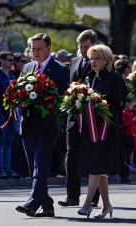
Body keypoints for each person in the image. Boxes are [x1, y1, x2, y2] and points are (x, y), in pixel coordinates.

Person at [15, 33, 69, 217]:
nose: (35, 52)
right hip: (28, 123)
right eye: (32, 48)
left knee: (41, 164)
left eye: (39, 49)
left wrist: (44, 99)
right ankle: (47, 206)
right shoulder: (27, 67)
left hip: (47, 125)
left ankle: (32, 203)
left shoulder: (59, 69)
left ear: (48, 49)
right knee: (33, 167)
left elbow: (63, 95)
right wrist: (18, 100)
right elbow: (19, 90)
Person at [77, 44, 121, 219]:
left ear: (106, 60)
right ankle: (107, 205)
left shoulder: (114, 78)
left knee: (96, 166)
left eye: (96, 58)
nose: (92, 61)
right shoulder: (88, 78)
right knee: (99, 168)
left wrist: (99, 104)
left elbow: (117, 103)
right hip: (90, 128)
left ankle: (87, 204)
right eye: (91, 58)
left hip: (105, 129)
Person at [58, 30, 98, 208]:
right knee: (71, 155)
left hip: (92, 117)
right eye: (81, 47)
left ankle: (95, 195)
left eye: (87, 47)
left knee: (91, 156)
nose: (83, 50)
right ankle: (72, 195)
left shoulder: (100, 62)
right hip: (74, 116)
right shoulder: (73, 62)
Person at [0, 51, 20, 180]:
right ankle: (0, 169)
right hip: (2, 114)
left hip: (12, 113)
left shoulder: (12, 75)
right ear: (2, 60)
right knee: (0, 142)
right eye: (9, 60)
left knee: (9, 142)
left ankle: (8, 169)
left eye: (13, 60)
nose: (11, 62)